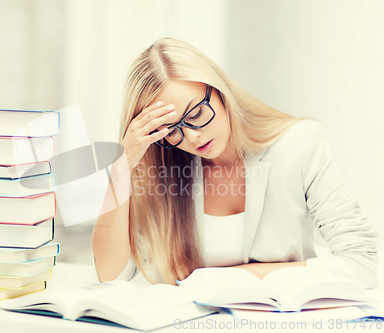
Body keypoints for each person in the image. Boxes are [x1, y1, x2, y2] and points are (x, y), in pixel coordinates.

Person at [91, 38, 378, 289]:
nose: (191, 135)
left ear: (220, 92)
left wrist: (241, 277)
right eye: (171, 130)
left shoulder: (299, 143)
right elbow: (110, 275)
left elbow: (361, 265)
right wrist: (121, 166)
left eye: (197, 113)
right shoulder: (162, 165)